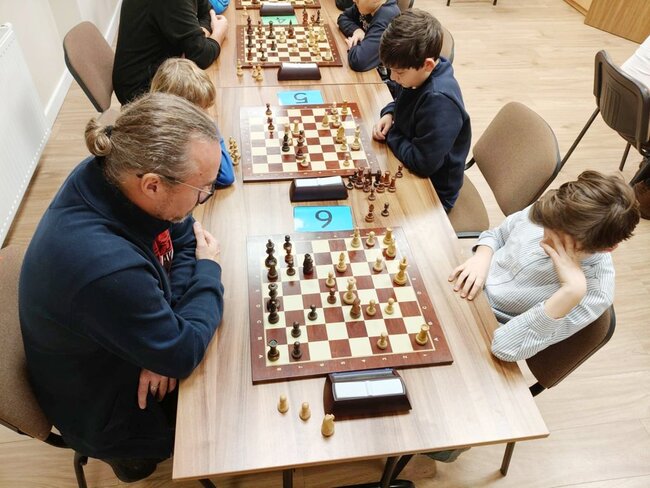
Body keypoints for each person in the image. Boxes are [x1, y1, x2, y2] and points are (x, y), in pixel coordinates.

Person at [19, 93, 225, 482]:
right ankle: (134, 457)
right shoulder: (106, 268)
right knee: (232, 383)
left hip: (110, 335)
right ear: (152, 185)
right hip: (108, 410)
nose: (204, 197)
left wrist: (161, 332)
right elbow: (183, 352)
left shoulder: (114, 170)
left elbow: (182, 235)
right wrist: (208, 270)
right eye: (203, 187)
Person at [449, 170, 640, 362]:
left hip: (480, 329)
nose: (544, 239)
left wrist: (570, 292)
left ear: (607, 249)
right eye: (547, 227)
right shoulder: (553, 211)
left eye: (561, 243)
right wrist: (482, 257)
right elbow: (498, 235)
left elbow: (504, 348)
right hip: (461, 282)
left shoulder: (594, 294)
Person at [372, 9, 471, 211]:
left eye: (399, 72)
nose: (392, 77)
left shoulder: (440, 102)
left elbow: (421, 163)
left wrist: (392, 132)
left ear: (428, 65)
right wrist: (390, 113)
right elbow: (404, 100)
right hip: (413, 160)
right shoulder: (416, 76)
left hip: (434, 191)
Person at [112, 0, 228, 104]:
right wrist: (218, 33)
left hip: (163, 69)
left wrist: (201, 35)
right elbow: (202, 56)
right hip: (143, 94)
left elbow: (207, 12)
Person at [150, 58, 235, 188]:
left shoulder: (170, 123)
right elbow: (225, 176)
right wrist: (212, 128)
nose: (205, 115)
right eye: (199, 112)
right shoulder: (173, 142)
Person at [337, 0, 401, 72]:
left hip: (379, 74)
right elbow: (343, 18)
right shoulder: (368, 6)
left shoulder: (387, 16)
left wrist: (353, 44)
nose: (354, 0)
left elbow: (359, 60)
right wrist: (356, 30)